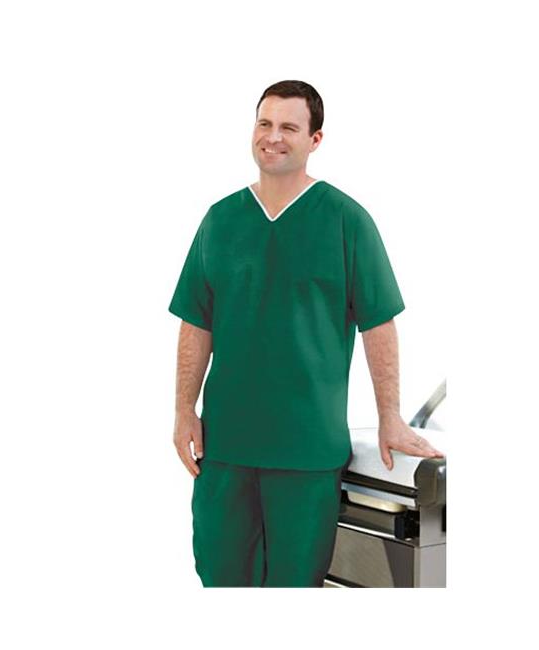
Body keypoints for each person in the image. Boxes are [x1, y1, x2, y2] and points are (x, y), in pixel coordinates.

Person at [168, 80, 444, 587]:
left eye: (289, 127)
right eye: (265, 123)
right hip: (225, 449)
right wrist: (184, 410)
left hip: (307, 453)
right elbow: (196, 322)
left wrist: (390, 417)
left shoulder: (346, 221)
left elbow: (378, 324)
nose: (273, 137)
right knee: (219, 579)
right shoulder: (220, 220)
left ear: (315, 139)